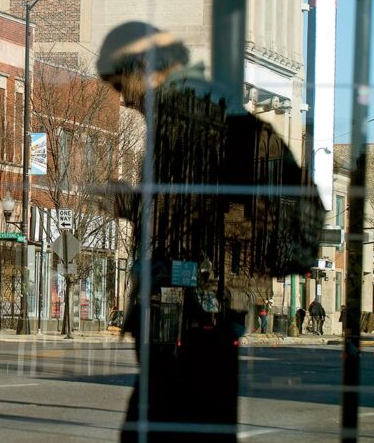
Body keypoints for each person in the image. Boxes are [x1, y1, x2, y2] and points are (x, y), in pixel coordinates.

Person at [96, 22, 321, 443]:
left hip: (200, 334)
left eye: (121, 82)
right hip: (174, 337)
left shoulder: (220, 132)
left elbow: (302, 229)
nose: (123, 98)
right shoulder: (172, 137)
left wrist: (236, 260)